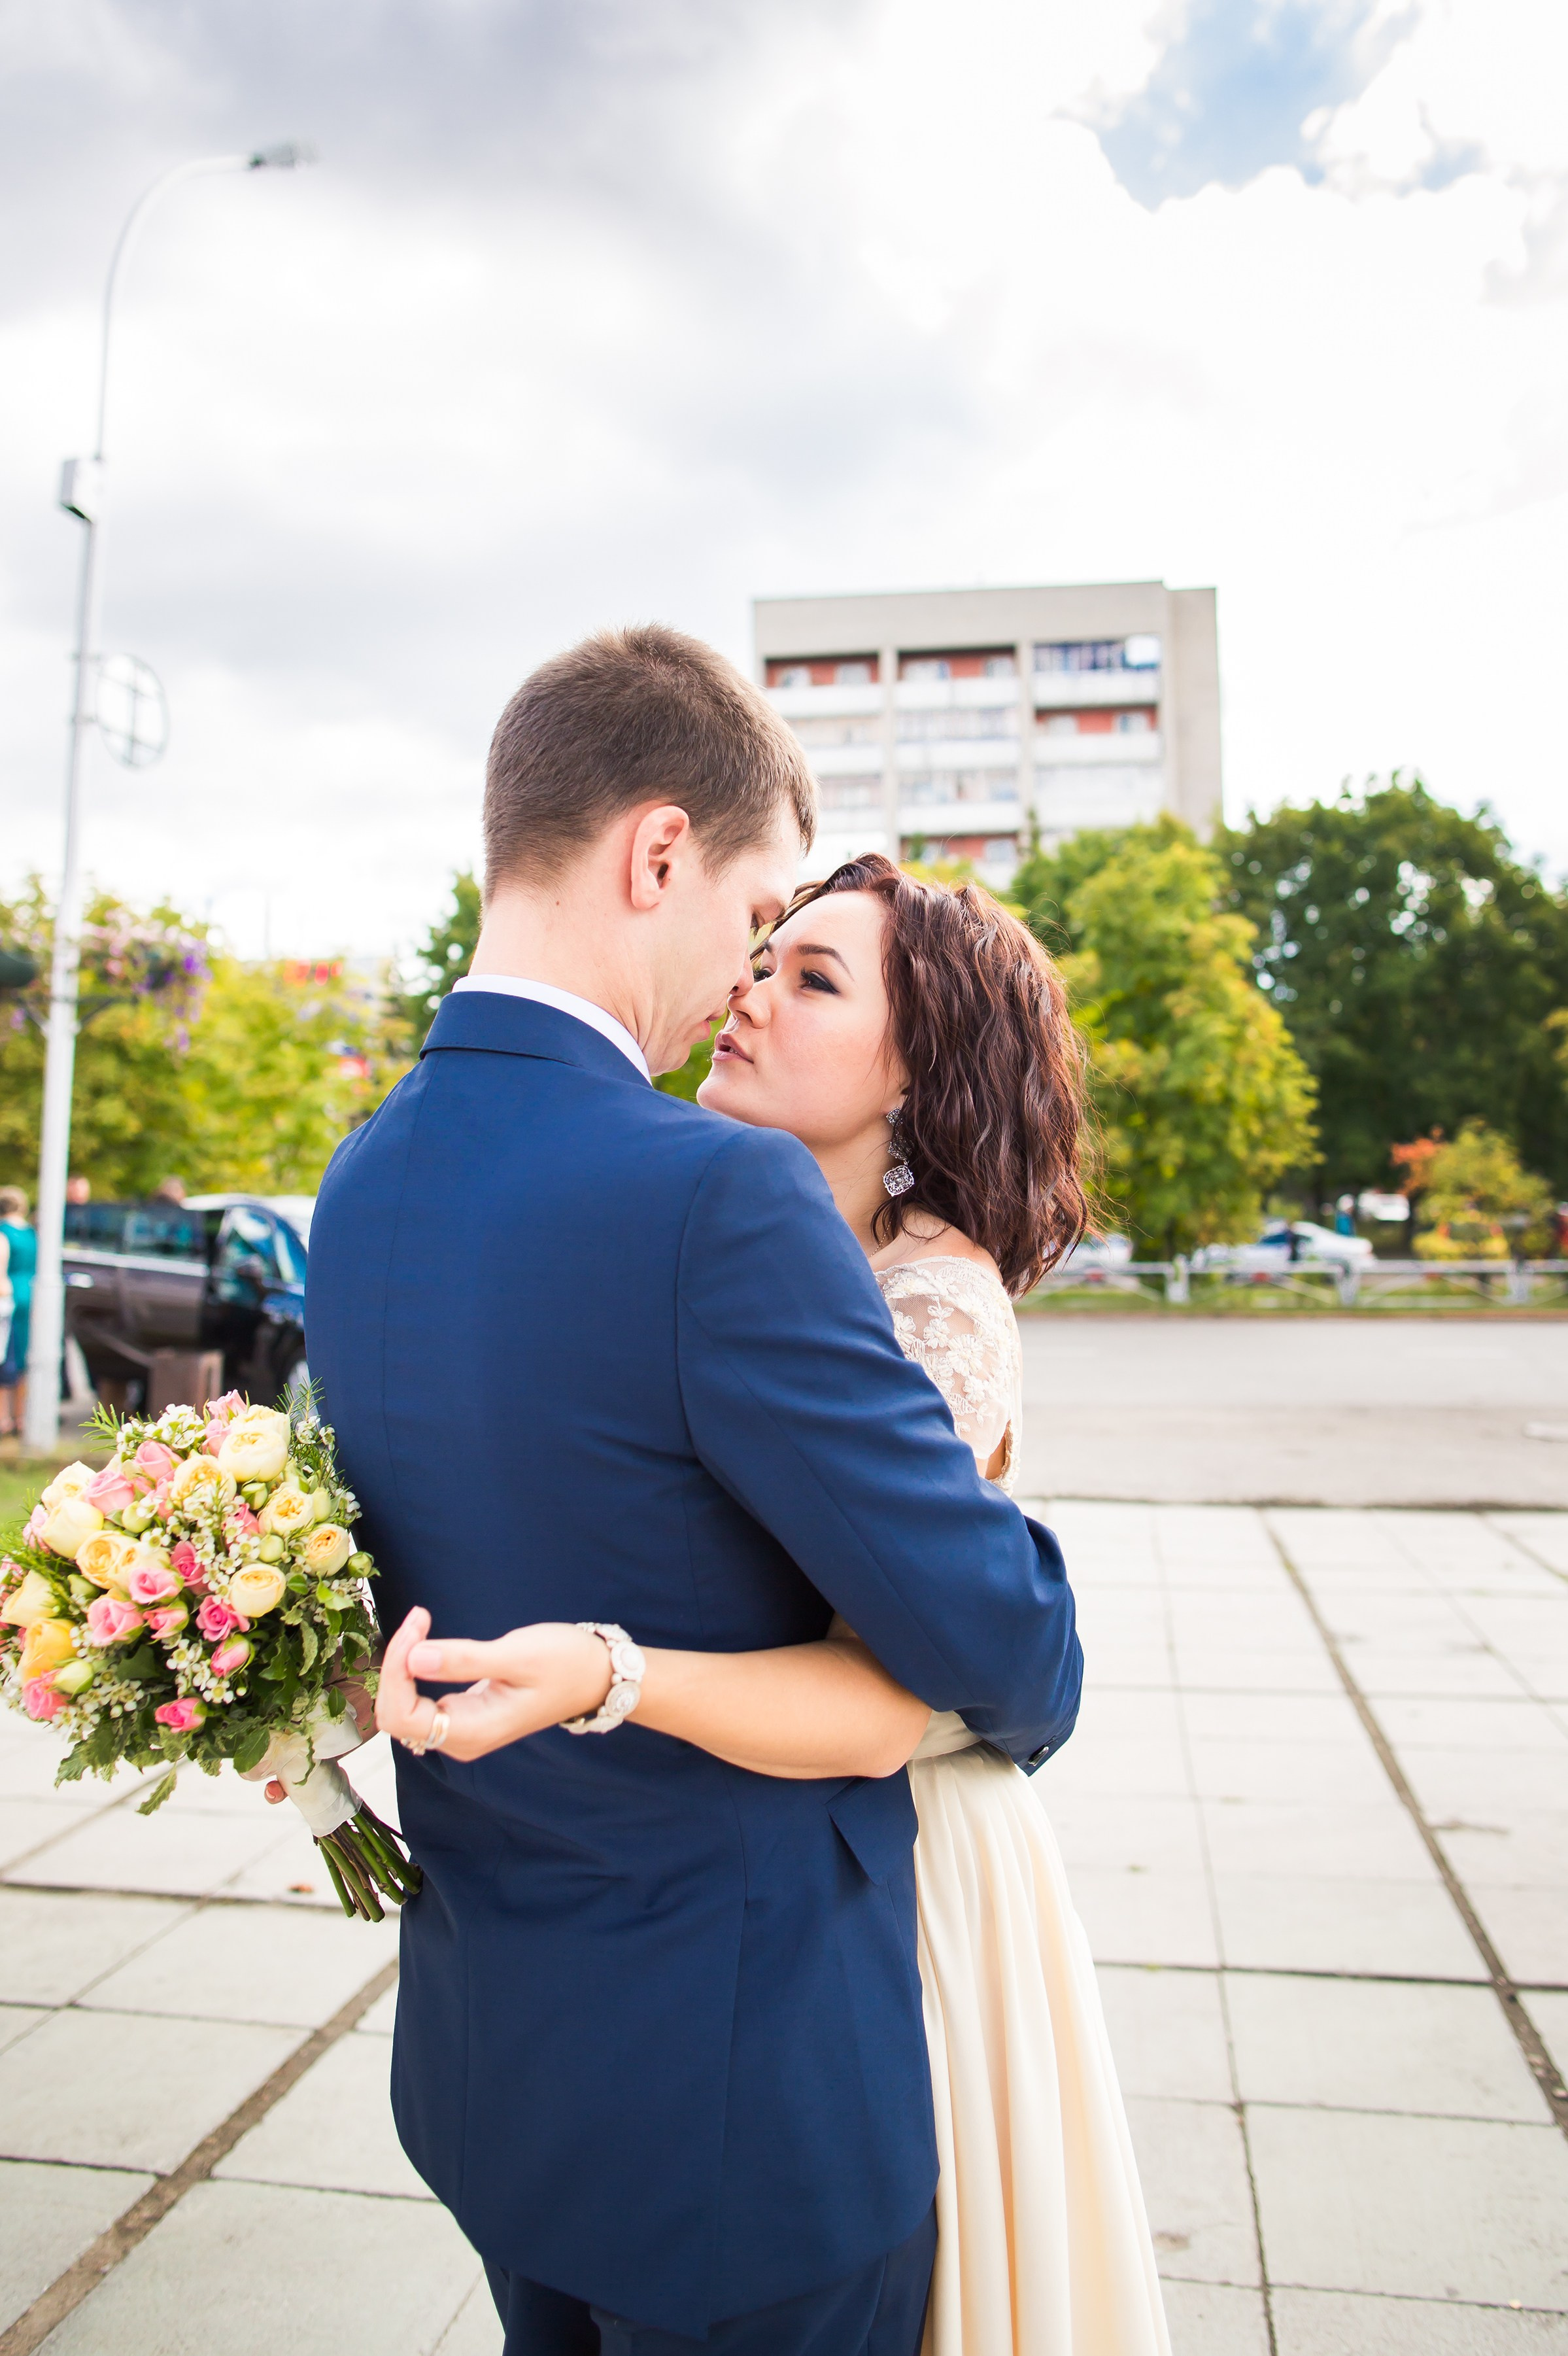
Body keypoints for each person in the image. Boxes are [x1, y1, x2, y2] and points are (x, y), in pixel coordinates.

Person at [306, 626, 1082, 2356]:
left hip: (492, 2075)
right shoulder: (716, 1197)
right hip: (738, 2120)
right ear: (658, 852)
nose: (742, 974)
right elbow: (1000, 1644)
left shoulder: (359, 1183)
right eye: (752, 913)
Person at [0, 1188, 35, 1439]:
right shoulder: (31, 1233)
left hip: (8, 1296)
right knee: (23, 1357)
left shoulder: (4, 1232)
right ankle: (21, 1416)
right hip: (31, 1293)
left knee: (5, 1357)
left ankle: (3, 1418)